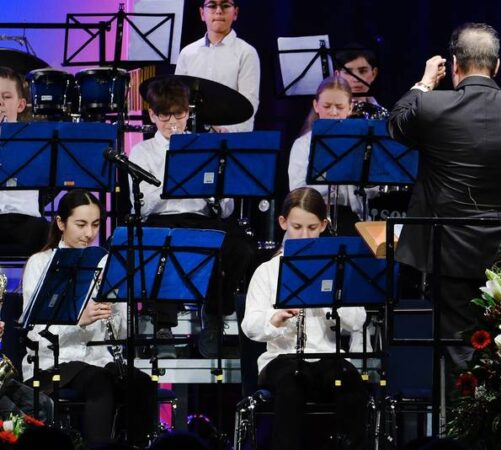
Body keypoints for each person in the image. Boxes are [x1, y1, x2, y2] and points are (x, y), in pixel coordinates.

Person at [388, 23, 501, 353]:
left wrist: (425, 83)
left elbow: (396, 124)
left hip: (449, 249)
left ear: (455, 65)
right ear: (497, 65)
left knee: (459, 348)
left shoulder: (432, 105)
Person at [128, 77, 255, 358]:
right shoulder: (142, 152)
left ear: (188, 112)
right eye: (164, 115)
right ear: (152, 115)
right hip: (162, 219)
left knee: (241, 247)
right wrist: (174, 180)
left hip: (202, 219)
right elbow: (141, 207)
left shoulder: (207, 148)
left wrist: (215, 196)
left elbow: (227, 209)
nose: (172, 122)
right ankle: (163, 326)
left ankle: (214, 316)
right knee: (159, 242)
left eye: (179, 114)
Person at [21, 190, 157, 446]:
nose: (89, 233)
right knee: (99, 382)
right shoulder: (40, 263)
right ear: (61, 223)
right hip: (53, 361)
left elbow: (124, 333)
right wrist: (76, 319)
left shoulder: (106, 262)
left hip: (100, 359)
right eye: (81, 224)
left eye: (95, 225)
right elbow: (33, 332)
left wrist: (117, 307)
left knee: (140, 383)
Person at [241, 187, 368, 450]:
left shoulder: (338, 268)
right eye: (297, 227)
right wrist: (275, 319)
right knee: (291, 386)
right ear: (283, 222)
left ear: (323, 225)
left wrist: (332, 304)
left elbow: (358, 319)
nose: (304, 235)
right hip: (282, 359)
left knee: (351, 384)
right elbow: (250, 325)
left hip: (328, 358)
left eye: (312, 228)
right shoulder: (267, 271)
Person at [288, 75, 378, 236]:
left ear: (350, 107)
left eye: (339, 107)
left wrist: (365, 182)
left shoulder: (362, 144)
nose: (333, 112)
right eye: (327, 106)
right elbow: (297, 190)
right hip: (314, 222)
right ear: (316, 106)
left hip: (355, 221)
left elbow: (373, 191)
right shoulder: (303, 144)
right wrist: (333, 179)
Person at [175, 0, 259, 132]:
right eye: (212, 5)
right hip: (192, 135)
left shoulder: (246, 52)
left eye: (225, 5)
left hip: (230, 136)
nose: (219, 11)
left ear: (235, 13)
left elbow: (249, 103)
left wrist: (225, 130)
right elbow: (177, 99)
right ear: (202, 13)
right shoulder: (187, 53)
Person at [0, 66, 49, 257]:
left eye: (6, 97)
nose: (0, 102)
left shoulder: (36, 141)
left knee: (47, 231)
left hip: (26, 222)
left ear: (20, 105)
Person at [335, 45, 388, 119]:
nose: (356, 79)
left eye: (363, 71)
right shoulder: (329, 112)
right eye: (348, 72)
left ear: (374, 73)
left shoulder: (383, 113)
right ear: (337, 75)